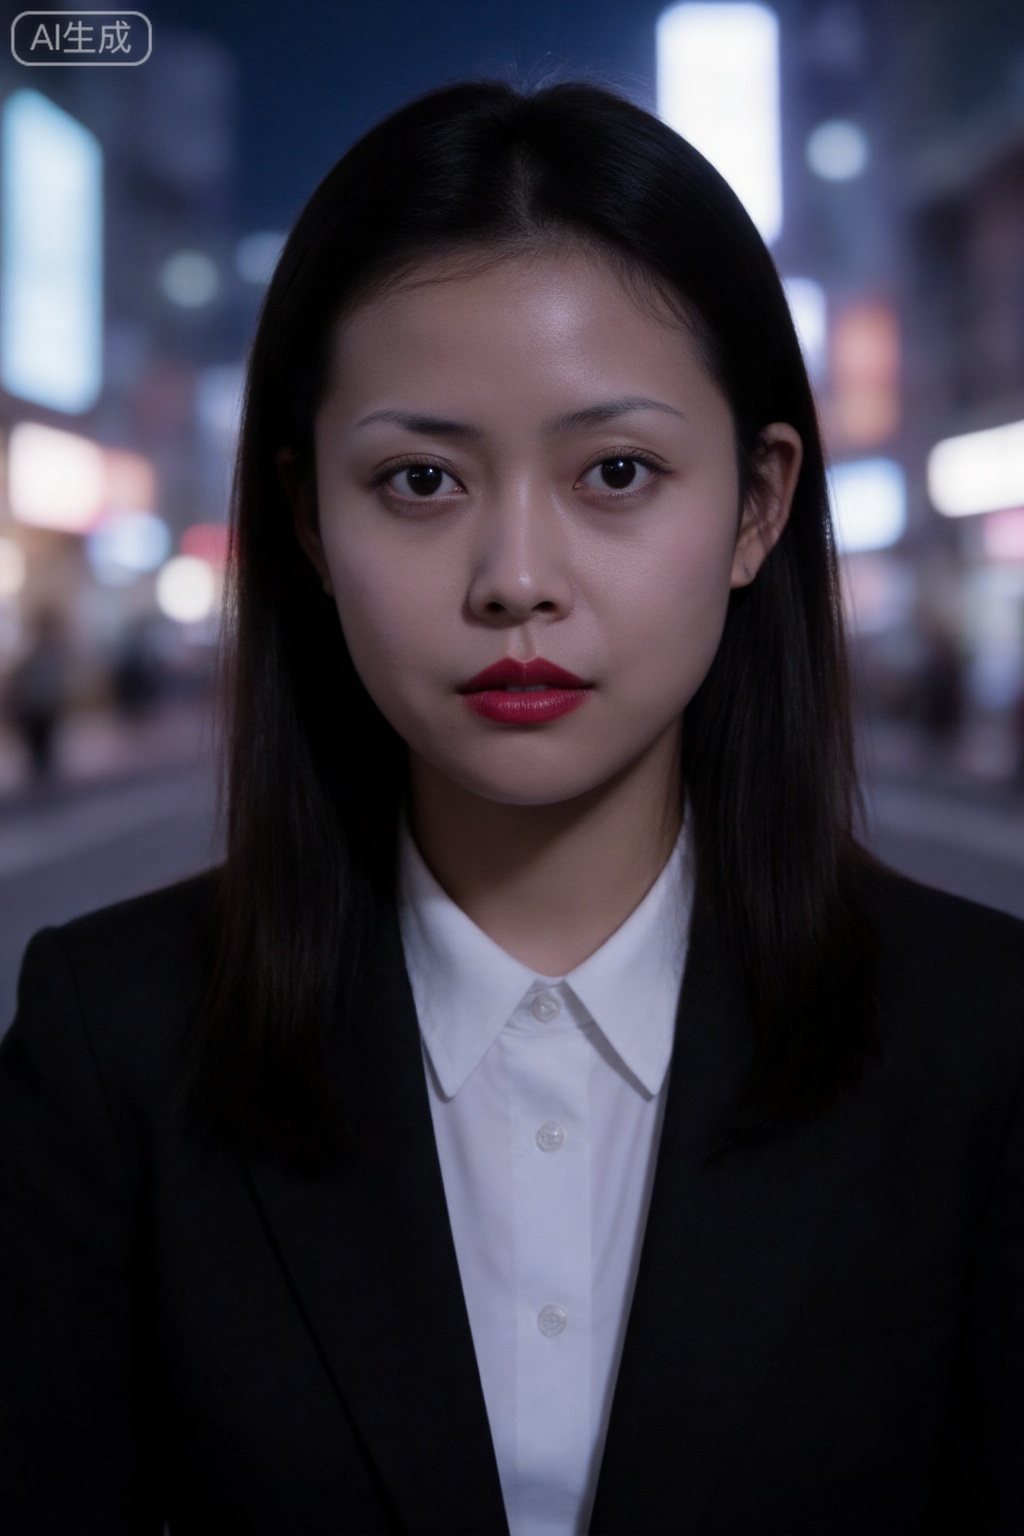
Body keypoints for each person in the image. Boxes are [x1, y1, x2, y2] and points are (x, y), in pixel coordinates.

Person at [1, 80, 1022, 1536]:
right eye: (420, 478)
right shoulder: (116, 1036)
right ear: (307, 519)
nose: (515, 576)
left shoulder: (982, 1040)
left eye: (617, 472)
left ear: (756, 504)